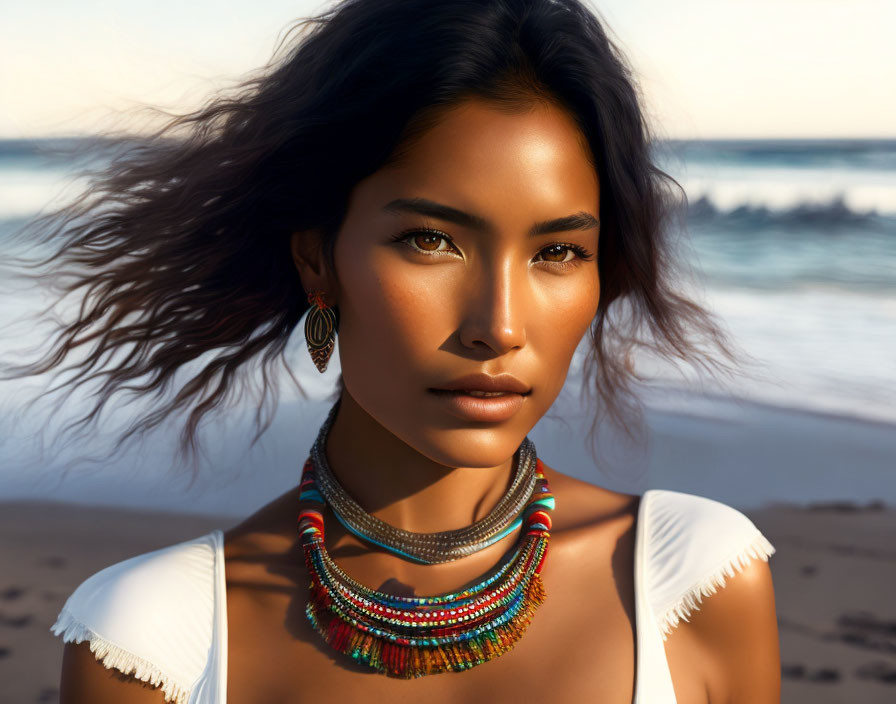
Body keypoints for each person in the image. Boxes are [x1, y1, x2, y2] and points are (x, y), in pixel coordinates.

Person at [5, 0, 780, 701]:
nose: (499, 326)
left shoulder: (692, 581)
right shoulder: (153, 641)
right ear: (318, 259)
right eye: (430, 240)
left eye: (558, 253)